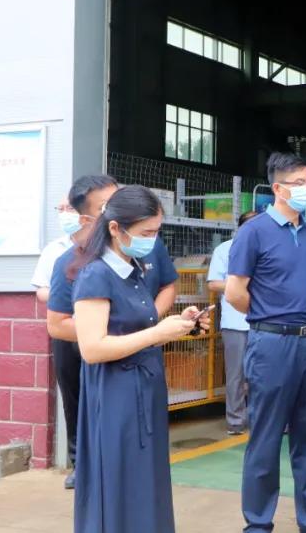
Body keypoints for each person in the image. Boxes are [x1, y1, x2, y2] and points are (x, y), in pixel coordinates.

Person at [70, 185, 204, 533]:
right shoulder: (96, 275)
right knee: (119, 479)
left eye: (157, 231)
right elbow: (92, 348)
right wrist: (158, 334)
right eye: (146, 233)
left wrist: (182, 326)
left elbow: (136, 327)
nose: (152, 240)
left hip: (144, 389)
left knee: (146, 479)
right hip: (115, 395)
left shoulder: (134, 270)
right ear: (115, 228)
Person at [226, 153, 306, 533]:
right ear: (278, 188)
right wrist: (269, 314)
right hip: (270, 344)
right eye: (299, 183)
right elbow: (235, 292)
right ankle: (258, 522)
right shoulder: (253, 233)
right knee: (266, 437)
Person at [36, 175, 117, 490]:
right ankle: (78, 463)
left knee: (105, 397)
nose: (64, 212)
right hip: (69, 333)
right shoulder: (55, 252)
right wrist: (71, 300)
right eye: (61, 207)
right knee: (74, 399)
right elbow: (42, 292)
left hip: (104, 334)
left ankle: (107, 462)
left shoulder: (114, 247)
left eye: (67, 207)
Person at [207, 211, 258, 436]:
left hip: (264, 322)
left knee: (264, 374)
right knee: (236, 375)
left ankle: (262, 419)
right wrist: (239, 283)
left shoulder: (268, 248)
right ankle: (236, 421)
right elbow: (214, 283)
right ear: (241, 229)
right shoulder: (224, 249)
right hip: (235, 322)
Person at [32, 197, 87, 303]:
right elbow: (42, 290)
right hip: (64, 315)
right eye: (60, 209)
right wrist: (68, 297)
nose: (65, 214)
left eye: (70, 208)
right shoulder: (53, 249)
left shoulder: (101, 244)